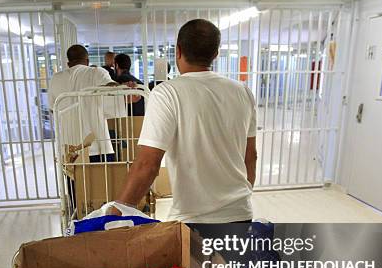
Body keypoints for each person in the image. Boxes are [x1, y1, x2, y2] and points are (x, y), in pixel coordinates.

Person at [114, 19, 258, 224]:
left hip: (195, 220)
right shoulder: (242, 91)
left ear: (178, 51)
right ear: (215, 54)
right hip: (241, 214)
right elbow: (250, 156)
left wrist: (119, 210)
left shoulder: (167, 92)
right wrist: (240, 198)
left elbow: (148, 164)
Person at [48, 44, 117, 163]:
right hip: (97, 145)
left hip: (69, 148)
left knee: (74, 181)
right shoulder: (96, 72)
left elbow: (52, 109)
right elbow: (112, 88)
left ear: (68, 64)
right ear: (87, 61)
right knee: (103, 180)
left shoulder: (56, 78)